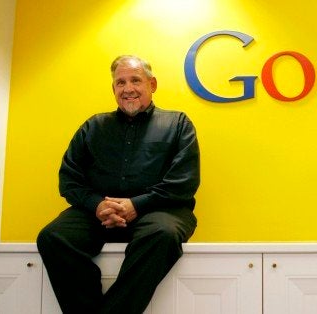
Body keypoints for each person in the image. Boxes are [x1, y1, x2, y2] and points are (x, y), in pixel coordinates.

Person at [37, 55, 200, 313]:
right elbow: (69, 179)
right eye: (120, 82)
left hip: (160, 210)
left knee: (163, 235)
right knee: (53, 236)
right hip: (97, 213)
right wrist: (97, 205)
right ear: (114, 89)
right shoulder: (93, 126)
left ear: (152, 84)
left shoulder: (178, 123)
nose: (128, 89)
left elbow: (183, 182)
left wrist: (136, 205)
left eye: (135, 80)